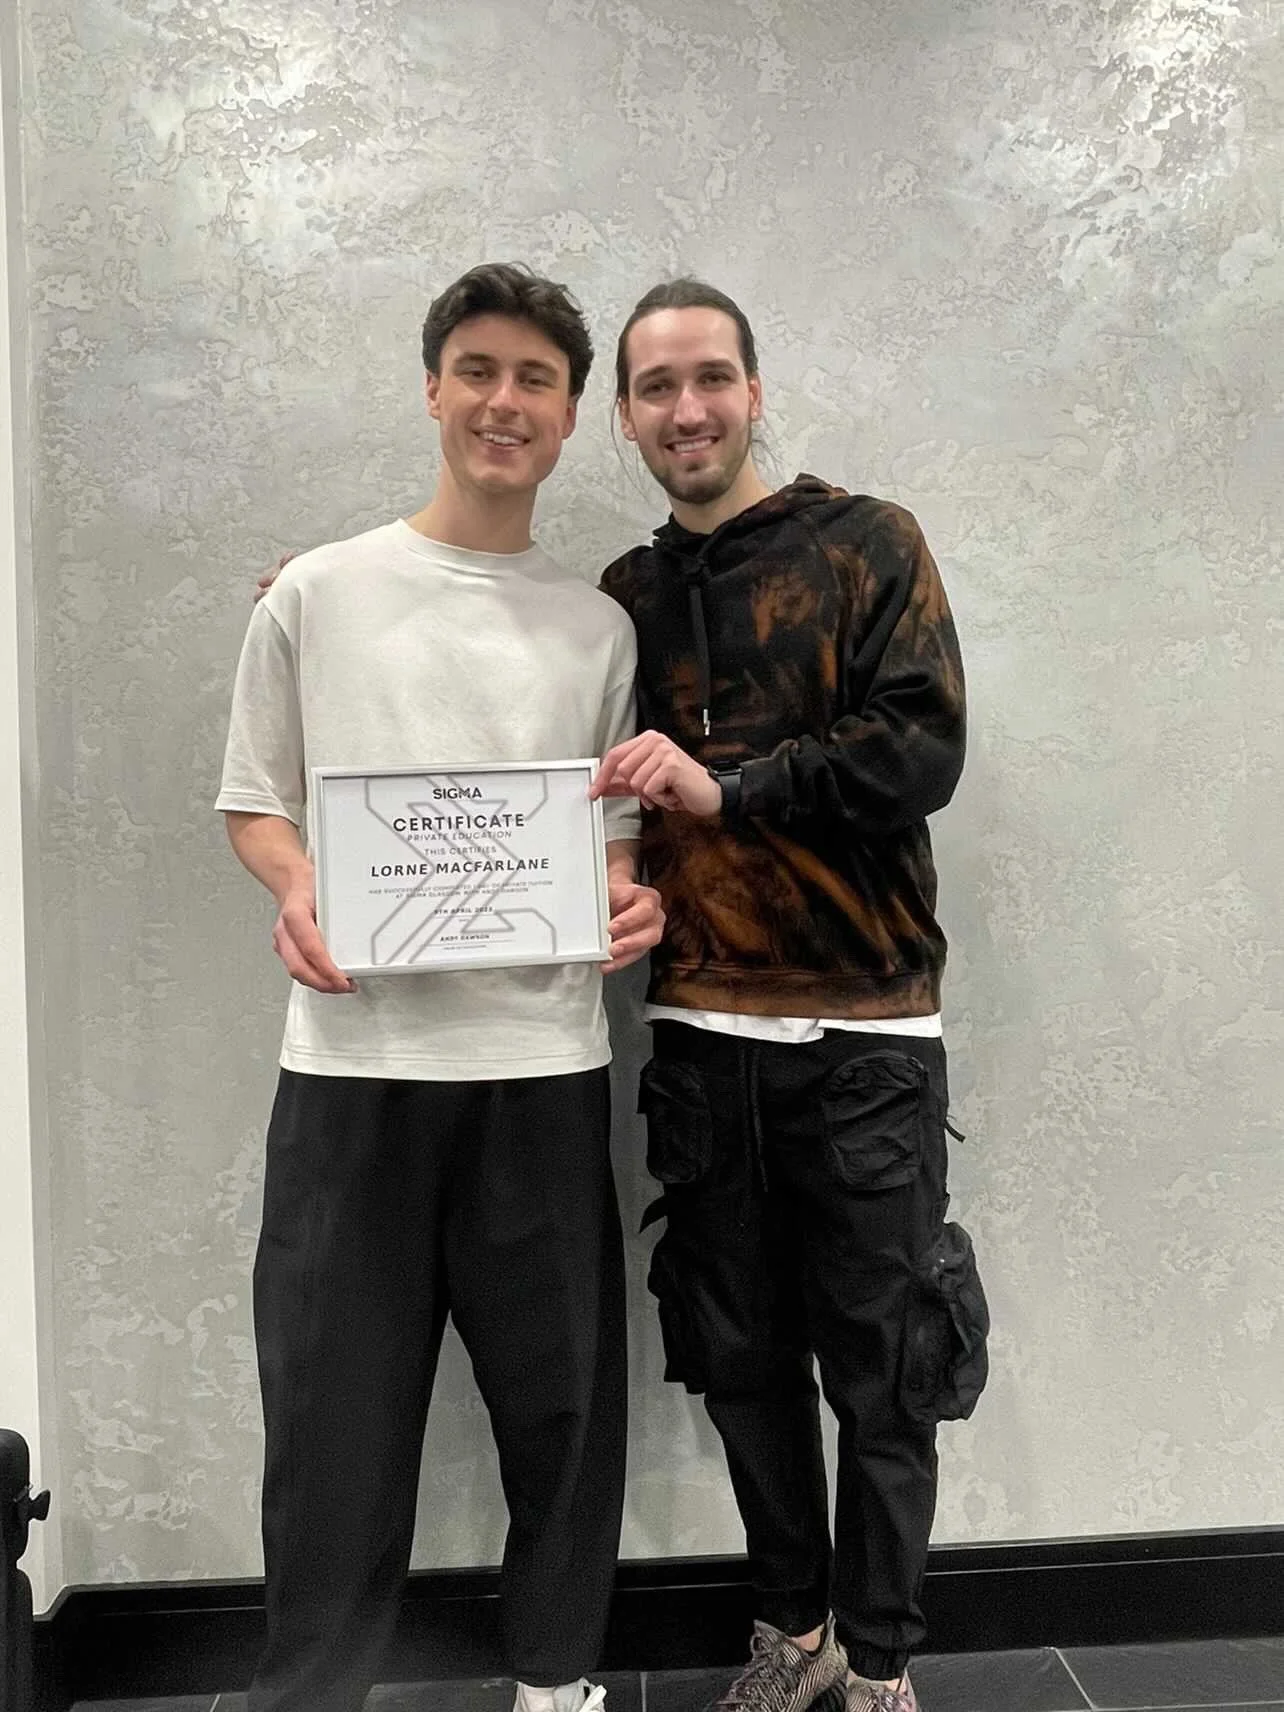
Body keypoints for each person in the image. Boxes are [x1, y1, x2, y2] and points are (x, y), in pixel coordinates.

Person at [218, 261, 663, 1712]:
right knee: (333, 1423)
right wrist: (296, 886)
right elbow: (255, 802)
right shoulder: (316, 593)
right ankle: (315, 1692)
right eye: (478, 369)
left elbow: (601, 841)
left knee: (562, 1410)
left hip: (539, 1063)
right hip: (352, 1073)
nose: (503, 401)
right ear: (432, 388)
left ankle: (557, 1683)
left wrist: (623, 901)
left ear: (572, 413)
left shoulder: (597, 631)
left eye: (536, 379)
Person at [588, 279, 989, 1712]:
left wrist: (731, 786)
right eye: (654, 388)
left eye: (709, 377)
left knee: (886, 1380)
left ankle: (880, 1665)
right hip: (699, 1042)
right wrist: (329, 615)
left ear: (754, 390)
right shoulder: (626, 601)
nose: (685, 409)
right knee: (741, 1361)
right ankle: (794, 1630)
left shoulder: (870, 543)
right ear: (625, 418)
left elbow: (920, 750)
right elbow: (524, 728)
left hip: (868, 1037)